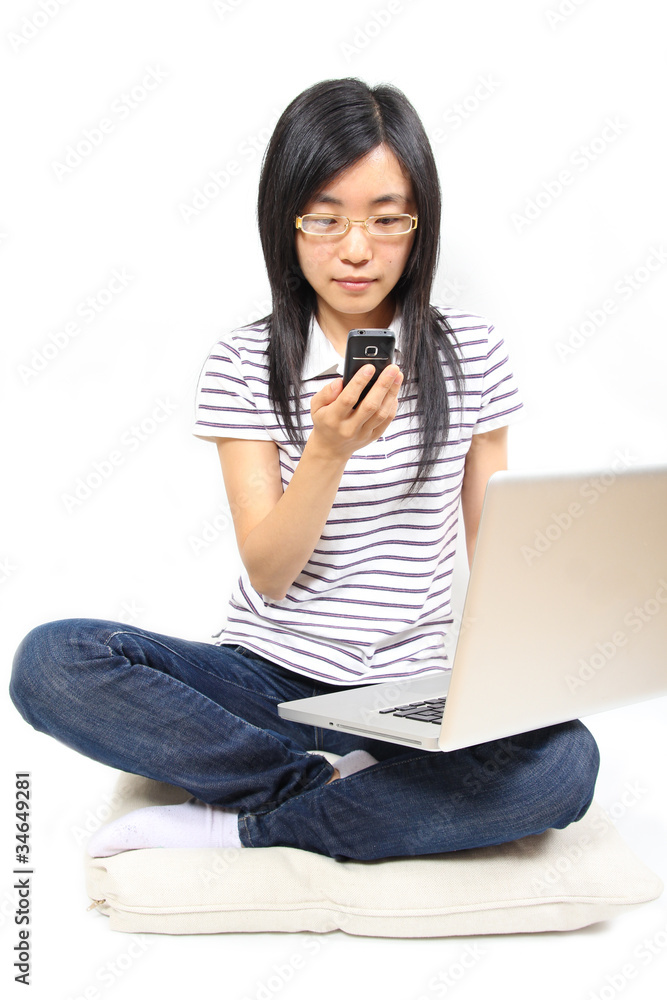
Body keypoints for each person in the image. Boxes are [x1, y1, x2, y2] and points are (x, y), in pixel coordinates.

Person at [9, 78, 599, 862]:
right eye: (325, 219)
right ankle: (314, 790)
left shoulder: (473, 353)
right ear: (285, 221)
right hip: (265, 685)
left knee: (566, 765)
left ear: (420, 226)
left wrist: (540, 659)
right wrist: (325, 455)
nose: (356, 250)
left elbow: (500, 549)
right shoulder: (242, 364)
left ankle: (249, 823)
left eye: (387, 220)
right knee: (53, 661)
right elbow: (272, 571)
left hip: (411, 695)